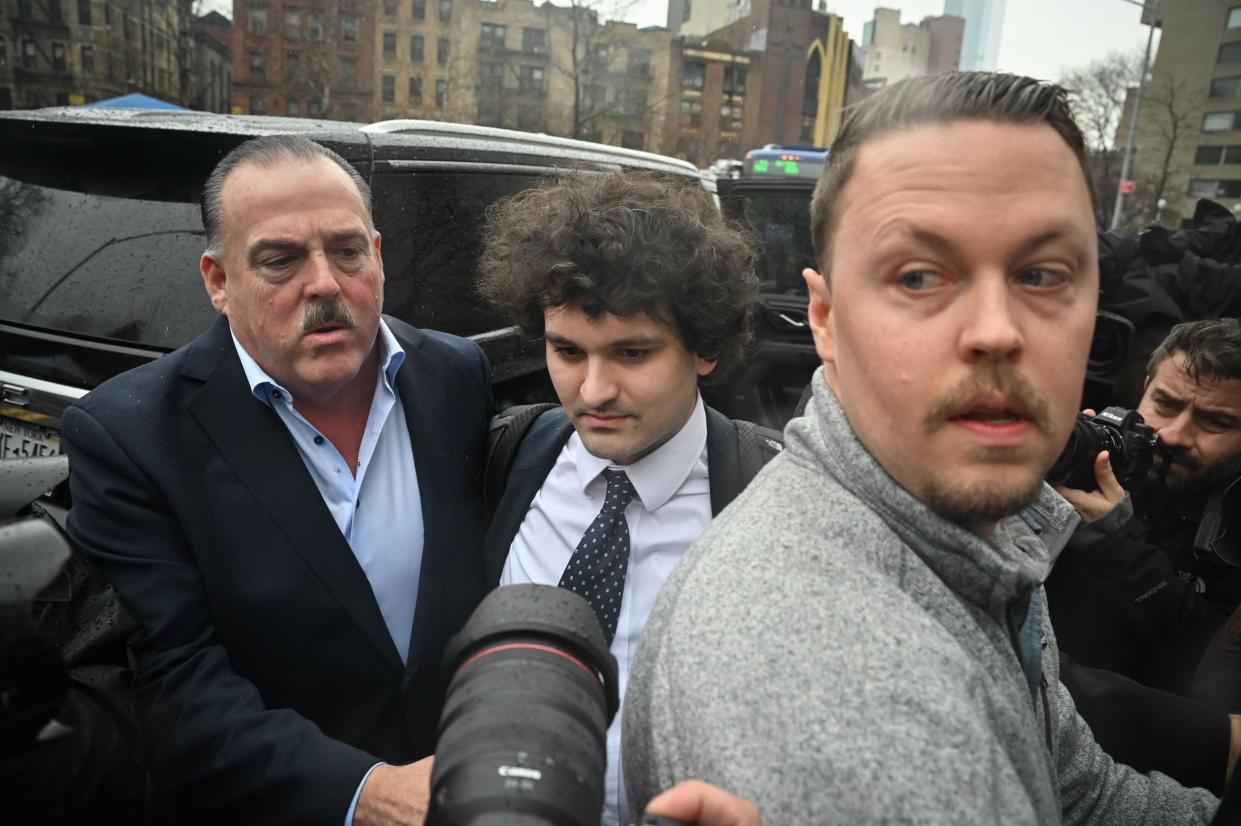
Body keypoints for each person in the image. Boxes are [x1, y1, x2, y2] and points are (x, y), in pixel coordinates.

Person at [623, 71, 1218, 824]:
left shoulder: (982, 528)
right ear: (825, 319)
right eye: (917, 275)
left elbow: (1080, 789)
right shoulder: (844, 691)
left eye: (1041, 273)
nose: (996, 330)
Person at [60, 135, 492, 825]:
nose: (323, 282)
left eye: (347, 250)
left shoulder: (454, 375)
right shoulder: (131, 436)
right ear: (218, 280)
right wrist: (365, 793)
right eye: (280, 259)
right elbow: (173, 685)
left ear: (377, 256)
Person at [476, 171, 780, 826]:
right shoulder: (505, 457)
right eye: (566, 351)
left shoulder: (770, 498)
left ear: (703, 348)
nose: (593, 391)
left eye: (632, 353)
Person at [1047, 318, 1241, 700]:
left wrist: (1117, 543)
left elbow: (1216, 669)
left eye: (1215, 421)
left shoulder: (1233, 532)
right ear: (1143, 388)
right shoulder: (1095, 455)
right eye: (1165, 404)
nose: (1173, 435)